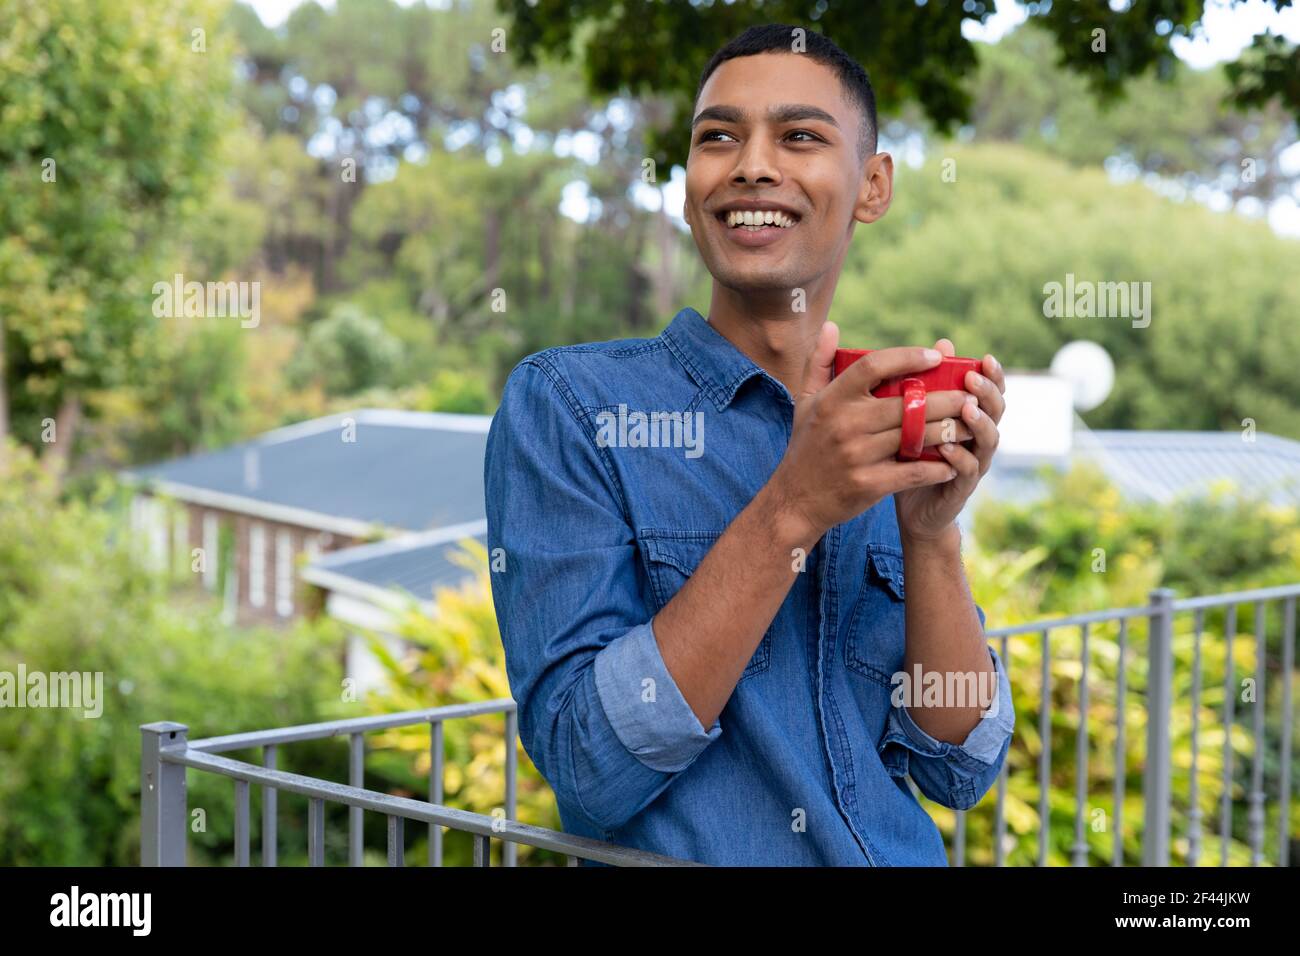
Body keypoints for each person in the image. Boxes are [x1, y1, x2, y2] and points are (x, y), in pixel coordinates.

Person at [484, 22, 1014, 865]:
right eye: (717, 138)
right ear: (689, 183)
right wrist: (794, 507)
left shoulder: (879, 416)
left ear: (873, 185)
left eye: (799, 136)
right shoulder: (570, 405)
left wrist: (930, 535)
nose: (751, 164)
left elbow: (959, 765)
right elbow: (585, 764)